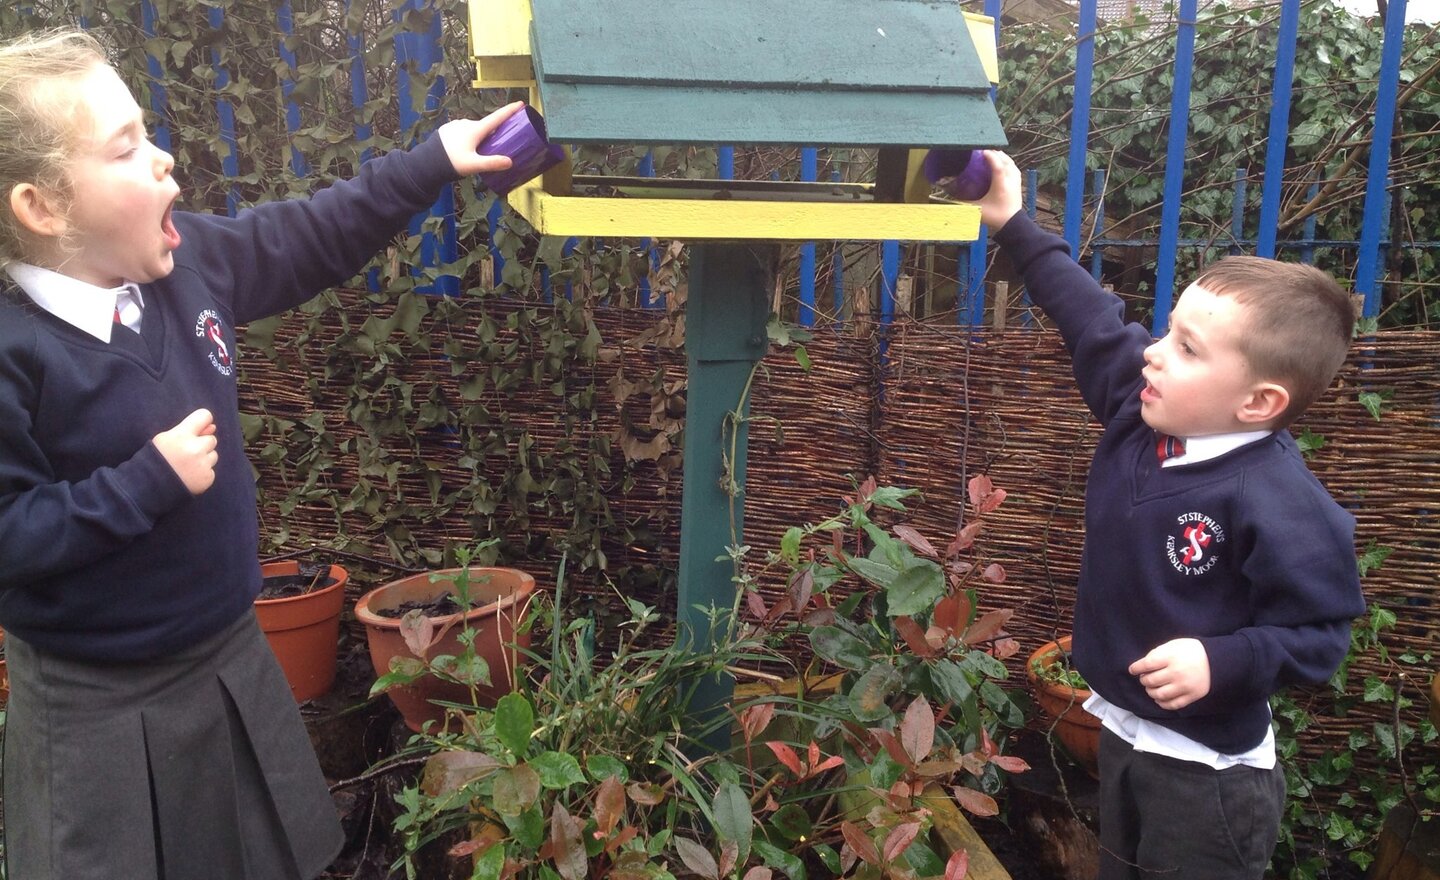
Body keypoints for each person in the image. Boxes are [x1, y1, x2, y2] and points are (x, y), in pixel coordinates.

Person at [0, 27, 524, 880]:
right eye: (128, 147)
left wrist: (430, 161)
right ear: (45, 207)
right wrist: (142, 485)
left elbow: (306, 236)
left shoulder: (184, 267)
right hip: (95, 704)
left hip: (226, 657)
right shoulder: (16, 357)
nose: (165, 160)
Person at [972, 151, 1366, 880]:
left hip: (1209, 776)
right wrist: (1012, 222)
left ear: (1258, 403)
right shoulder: (1142, 414)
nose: (1152, 353)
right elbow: (1091, 317)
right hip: (1124, 734)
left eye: (1185, 348)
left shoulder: (1278, 501)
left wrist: (1222, 660)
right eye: (1167, 332)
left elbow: (1320, 635)